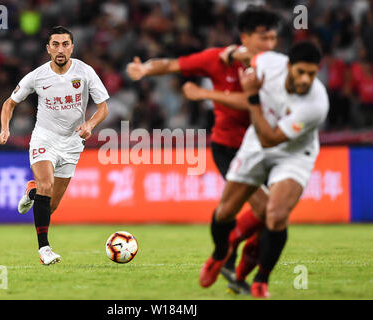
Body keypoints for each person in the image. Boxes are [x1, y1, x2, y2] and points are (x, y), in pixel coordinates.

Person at [126, 6, 280, 294]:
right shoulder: (215, 59)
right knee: (265, 210)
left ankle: (234, 265)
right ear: (245, 37)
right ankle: (230, 257)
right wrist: (145, 68)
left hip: (269, 145)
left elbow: (253, 102)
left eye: (273, 39)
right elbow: (172, 65)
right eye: (263, 38)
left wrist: (205, 94)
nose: (270, 45)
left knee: (270, 216)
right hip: (230, 146)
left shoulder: (273, 67)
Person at [199, 41, 329, 298]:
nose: (305, 79)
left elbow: (271, 138)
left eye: (312, 74)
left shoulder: (316, 104)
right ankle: (219, 254)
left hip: (292, 154)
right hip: (254, 147)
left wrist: (253, 97)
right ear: (288, 66)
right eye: (301, 71)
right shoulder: (270, 63)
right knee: (225, 212)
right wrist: (231, 53)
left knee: (276, 214)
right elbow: (249, 55)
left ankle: (261, 280)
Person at [0, 26, 109, 265]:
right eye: (55, 44)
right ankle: (44, 249)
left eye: (65, 44)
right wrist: (5, 128)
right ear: (48, 49)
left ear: (72, 47)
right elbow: (9, 103)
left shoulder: (85, 72)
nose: (61, 49)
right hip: (44, 138)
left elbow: (103, 108)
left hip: (72, 143)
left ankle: (31, 192)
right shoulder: (37, 76)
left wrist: (89, 124)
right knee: (46, 185)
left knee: (51, 205)